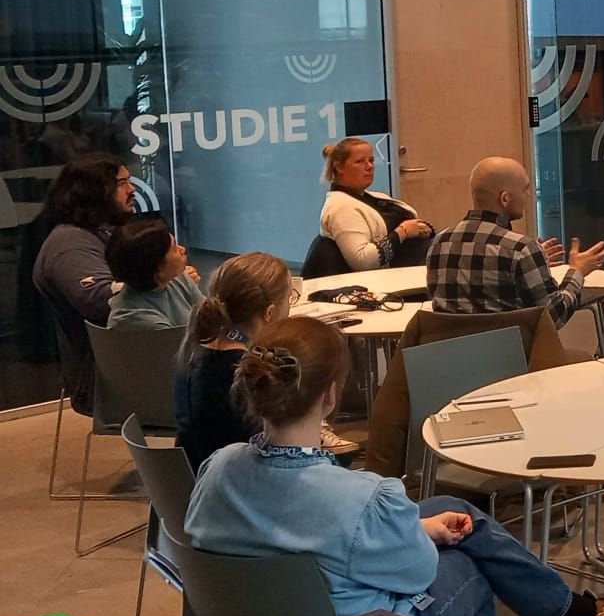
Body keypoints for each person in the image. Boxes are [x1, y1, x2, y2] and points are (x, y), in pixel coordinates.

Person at [185, 316, 604, 616]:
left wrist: (419, 527)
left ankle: (576, 614)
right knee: (466, 563)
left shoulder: (217, 470)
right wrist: (416, 535)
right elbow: (416, 574)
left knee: (447, 507)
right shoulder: (362, 499)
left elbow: (267, 533)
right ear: (329, 396)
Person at [174, 250, 358, 469]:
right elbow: (282, 450)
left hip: (201, 477)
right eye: (290, 298)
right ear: (270, 313)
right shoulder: (248, 373)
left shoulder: (194, 351)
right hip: (243, 480)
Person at [427, 157, 604, 328]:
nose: (528, 195)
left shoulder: (439, 242)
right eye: (524, 190)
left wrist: (532, 263)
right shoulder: (521, 249)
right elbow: (554, 316)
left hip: (450, 350)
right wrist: (577, 271)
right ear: (505, 199)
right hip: (509, 350)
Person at [30, 154, 136, 409]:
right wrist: (161, 279)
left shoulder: (98, 233)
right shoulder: (69, 244)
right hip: (105, 379)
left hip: (128, 363)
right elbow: (97, 300)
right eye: (122, 183)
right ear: (93, 192)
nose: (132, 189)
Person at [320, 138, 432, 270]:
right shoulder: (341, 208)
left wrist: (422, 229)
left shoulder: (374, 196)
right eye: (360, 161)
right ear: (339, 167)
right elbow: (362, 261)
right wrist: (403, 232)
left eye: (371, 160)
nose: (369, 166)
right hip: (393, 276)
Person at [103, 217, 202, 330]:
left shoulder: (178, 277)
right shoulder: (136, 319)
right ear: (158, 271)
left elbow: (208, 316)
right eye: (174, 248)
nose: (182, 249)